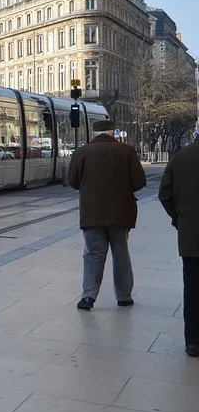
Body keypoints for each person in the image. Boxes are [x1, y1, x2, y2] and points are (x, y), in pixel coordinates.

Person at [66, 118, 147, 310]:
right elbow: (140, 181)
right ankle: (124, 296)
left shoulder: (82, 152)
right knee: (121, 254)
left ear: (94, 133)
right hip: (121, 212)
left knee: (93, 253)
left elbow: (72, 181)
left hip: (92, 212)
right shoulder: (127, 151)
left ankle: (88, 296)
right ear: (113, 132)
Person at [159, 140, 199, 357]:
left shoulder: (182, 156)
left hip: (191, 232)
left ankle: (193, 341)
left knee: (192, 288)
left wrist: (179, 217)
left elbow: (164, 194)